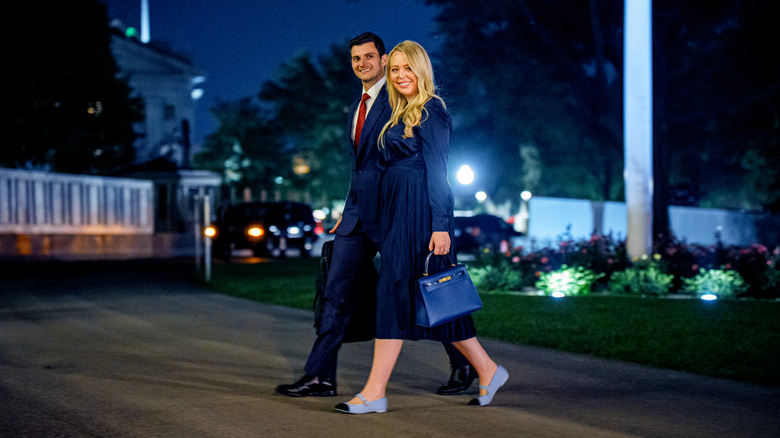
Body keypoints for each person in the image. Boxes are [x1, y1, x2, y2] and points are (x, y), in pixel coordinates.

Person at [276, 33, 473, 398]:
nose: (363, 64)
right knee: (336, 293)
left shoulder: (401, 97)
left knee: (421, 287)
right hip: (356, 218)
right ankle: (320, 376)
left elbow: (428, 167)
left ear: (383, 60)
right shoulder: (357, 105)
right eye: (355, 59)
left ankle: (466, 361)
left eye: (370, 57)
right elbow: (362, 168)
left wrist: (440, 223)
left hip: (396, 213)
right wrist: (347, 207)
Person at [334, 41, 508, 414]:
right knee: (428, 303)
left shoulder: (432, 111)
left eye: (406, 68)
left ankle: (375, 391)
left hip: (422, 218)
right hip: (397, 214)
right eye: (394, 69)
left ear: (421, 70)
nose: (400, 76)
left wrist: (442, 226)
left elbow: (439, 175)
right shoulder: (398, 113)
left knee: (411, 297)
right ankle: (488, 369)